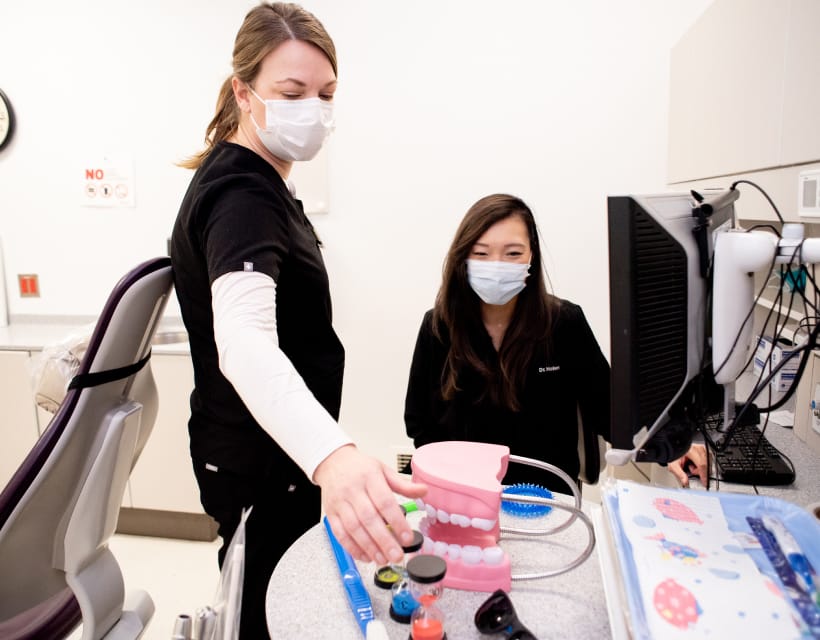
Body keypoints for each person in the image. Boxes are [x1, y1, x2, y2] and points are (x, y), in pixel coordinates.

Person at [170, 4, 424, 637]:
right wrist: (333, 459)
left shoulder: (261, 185)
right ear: (243, 91)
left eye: (326, 93)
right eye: (292, 92)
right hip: (262, 464)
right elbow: (245, 342)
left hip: (267, 456)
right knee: (264, 612)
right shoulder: (243, 195)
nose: (313, 108)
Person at [404, 193, 708, 493]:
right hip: (465, 495)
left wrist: (669, 445)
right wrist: (446, 485)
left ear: (531, 257)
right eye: (481, 253)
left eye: (513, 253)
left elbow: (609, 412)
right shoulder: (439, 327)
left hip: (547, 495)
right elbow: (419, 423)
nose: (496, 265)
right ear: (463, 259)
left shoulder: (563, 323)